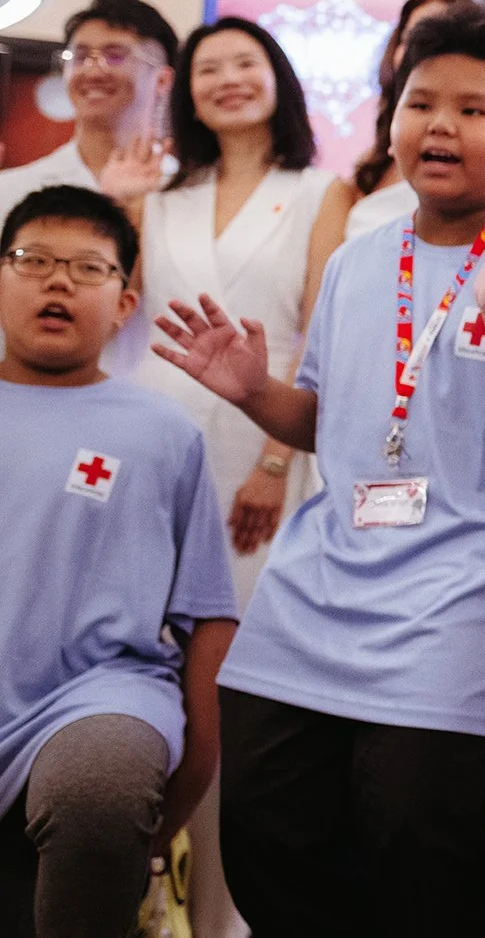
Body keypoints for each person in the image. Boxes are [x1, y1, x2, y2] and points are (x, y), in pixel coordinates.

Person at [151, 2, 485, 931]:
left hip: (468, 598)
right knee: (266, 831)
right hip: (320, 590)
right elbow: (331, 419)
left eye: (473, 109)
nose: (440, 126)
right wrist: (254, 390)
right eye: (421, 104)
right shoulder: (359, 261)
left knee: (419, 851)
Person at [122, 18, 348, 937]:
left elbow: (322, 332)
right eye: (207, 68)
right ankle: (139, 892)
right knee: (151, 662)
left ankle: (229, 914)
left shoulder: (319, 189)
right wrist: (117, 202)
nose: (227, 80)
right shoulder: (161, 196)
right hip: (158, 452)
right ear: (187, 91)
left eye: (245, 63)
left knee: (241, 686)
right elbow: (119, 315)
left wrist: (274, 460)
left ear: (278, 77)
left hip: (265, 453)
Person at [0, 186, 237, 937]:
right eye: (33, 260)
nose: (58, 281)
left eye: (87, 268)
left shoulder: (163, 430)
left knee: (98, 795)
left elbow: (208, 612)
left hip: (100, 696)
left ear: (125, 303)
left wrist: (194, 772)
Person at [0, 0, 177, 373]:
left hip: (156, 392)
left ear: (162, 79)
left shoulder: (189, 191)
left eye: (115, 56)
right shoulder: (10, 191)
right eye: (80, 57)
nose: (93, 70)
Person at [340, 0, 471, 240]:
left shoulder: (479, 159)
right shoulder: (373, 163)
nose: (419, 50)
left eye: (438, 37)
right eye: (410, 37)